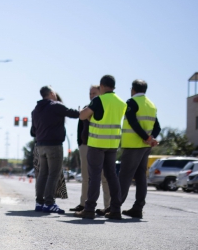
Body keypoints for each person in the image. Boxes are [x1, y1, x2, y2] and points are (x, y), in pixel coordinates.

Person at [75, 75, 127, 220]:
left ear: (102, 86)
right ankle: (116, 209)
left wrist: (86, 111)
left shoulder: (99, 100)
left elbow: (83, 116)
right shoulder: (122, 103)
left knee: (95, 177)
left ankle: (89, 208)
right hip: (113, 145)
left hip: (97, 144)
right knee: (111, 176)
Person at [30, 87, 79, 213]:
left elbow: (32, 132)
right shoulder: (56, 105)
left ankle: (39, 203)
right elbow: (74, 113)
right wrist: (85, 110)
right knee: (53, 174)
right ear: (52, 93)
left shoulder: (35, 110)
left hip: (40, 145)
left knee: (42, 174)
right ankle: (49, 203)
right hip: (54, 146)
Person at [118, 79, 161, 218]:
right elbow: (157, 127)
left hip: (133, 145)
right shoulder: (151, 105)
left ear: (133, 89)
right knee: (141, 176)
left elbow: (132, 121)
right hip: (145, 147)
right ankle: (138, 208)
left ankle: (114, 207)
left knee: (125, 176)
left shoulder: (131, 102)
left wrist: (146, 137)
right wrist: (151, 138)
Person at [70, 85, 111, 214]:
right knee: (86, 176)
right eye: (90, 93)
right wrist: (80, 144)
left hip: (102, 145)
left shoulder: (105, 106)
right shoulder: (86, 109)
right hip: (86, 146)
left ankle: (108, 206)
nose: (92, 95)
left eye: (94, 93)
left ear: (101, 92)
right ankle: (84, 204)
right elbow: (80, 128)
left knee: (105, 177)